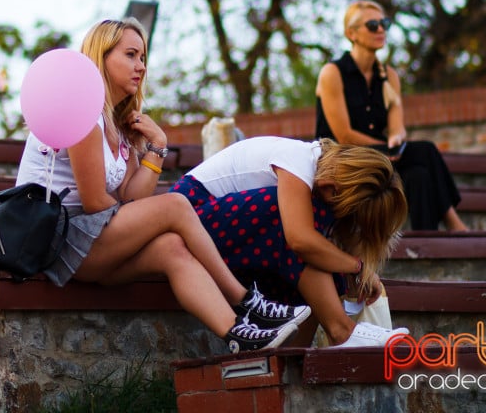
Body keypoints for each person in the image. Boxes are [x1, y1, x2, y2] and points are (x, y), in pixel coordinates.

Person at [16, 18, 311, 354]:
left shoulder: (119, 125)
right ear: (102, 56)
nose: (140, 66)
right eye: (130, 55)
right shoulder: (81, 113)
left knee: (171, 247)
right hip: (55, 240)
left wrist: (157, 145)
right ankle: (246, 300)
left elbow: (129, 197)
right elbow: (98, 202)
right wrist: (147, 218)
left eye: (143, 58)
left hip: (91, 243)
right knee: (173, 206)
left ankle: (238, 335)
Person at [171, 135, 410, 348]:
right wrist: (356, 267)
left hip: (228, 239)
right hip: (192, 219)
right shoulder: (298, 160)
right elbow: (300, 240)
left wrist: (355, 270)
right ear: (335, 185)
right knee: (304, 235)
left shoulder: (316, 178)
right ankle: (342, 331)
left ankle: (292, 355)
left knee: (319, 250)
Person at [315, 0, 469, 231]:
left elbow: (397, 128)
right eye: (373, 24)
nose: (381, 30)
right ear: (351, 34)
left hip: (378, 157)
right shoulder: (332, 73)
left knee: (419, 176)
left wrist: (396, 141)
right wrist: (387, 150)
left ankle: (427, 245)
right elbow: (344, 136)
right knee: (425, 150)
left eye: (384, 23)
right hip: (342, 160)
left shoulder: (389, 76)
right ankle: (453, 221)